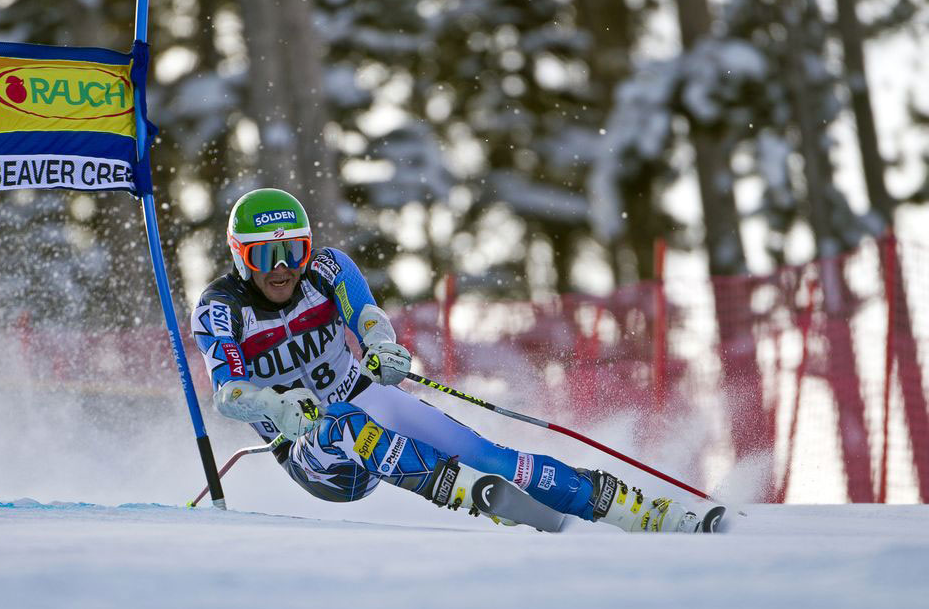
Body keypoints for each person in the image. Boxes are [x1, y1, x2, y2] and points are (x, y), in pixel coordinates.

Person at [190, 188, 721, 533]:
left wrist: (381, 350)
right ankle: (466, 493)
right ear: (241, 256)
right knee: (341, 423)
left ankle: (640, 512)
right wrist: (284, 409)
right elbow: (228, 393)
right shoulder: (222, 309)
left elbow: (367, 316)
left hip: (366, 397)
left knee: (491, 455)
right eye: (264, 255)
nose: (282, 269)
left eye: (293, 253)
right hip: (310, 448)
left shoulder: (327, 269)